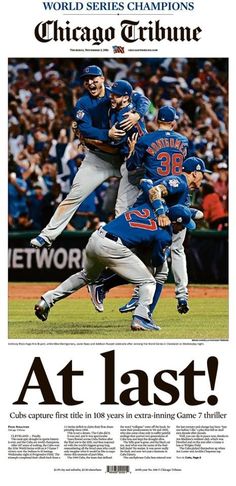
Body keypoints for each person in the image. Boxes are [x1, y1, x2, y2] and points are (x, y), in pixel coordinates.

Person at [30, 67, 150, 249]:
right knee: (74, 195)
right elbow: (84, 129)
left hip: (125, 157)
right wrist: (107, 133)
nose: (90, 83)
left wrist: (138, 114)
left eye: (94, 78)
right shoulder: (83, 103)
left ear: (102, 79)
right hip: (98, 158)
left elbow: (143, 99)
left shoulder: (116, 92)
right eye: (86, 80)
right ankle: (47, 235)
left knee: (124, 205)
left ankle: (123, 247)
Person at [89, 105, 191, 314]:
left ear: (156, 122)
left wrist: (134, 150)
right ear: (173, 122)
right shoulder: (183, 141)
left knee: (140, 253)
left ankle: (124, 292)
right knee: (168, 255)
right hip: (176, 201)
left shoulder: (146, 139)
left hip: (151, 200)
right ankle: (163, 299)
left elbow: (134, 166)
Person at [34, 202, 196, 332]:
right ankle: (141, 318)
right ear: (174, 222)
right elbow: (156, 261)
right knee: (148, 281)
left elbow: (148, 188)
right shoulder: (164, 235)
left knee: (86, 275)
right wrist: (160, 255)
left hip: (96, 237)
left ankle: (47, 300)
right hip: (113, 247)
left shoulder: (150, 206)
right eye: (182, 226)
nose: (183, 229)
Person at [88, 157, 210, 315]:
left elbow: (159, 195)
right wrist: (160, 212)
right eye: (202, 173)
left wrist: (192, 213)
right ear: (194, 173)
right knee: (158, 271)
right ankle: (143, 314)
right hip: (144, 225)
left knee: (146, 267)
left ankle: (105, 286)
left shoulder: (183, 188)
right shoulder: (178, 182)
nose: (204, 176)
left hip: (148, 227)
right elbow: (153, 189)